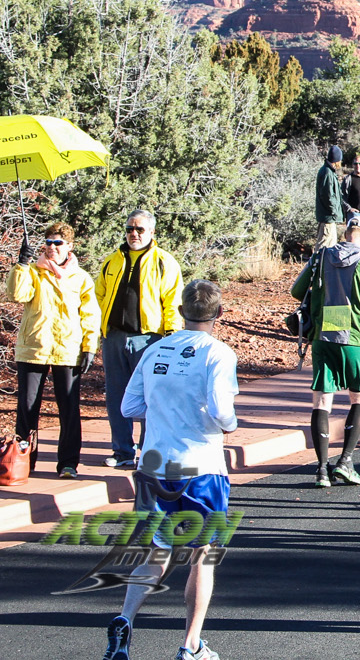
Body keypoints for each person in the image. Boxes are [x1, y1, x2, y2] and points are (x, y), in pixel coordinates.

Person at [104, 280, 237, 660]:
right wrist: (229, 423)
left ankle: (125, 619)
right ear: (219, 314)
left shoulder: (155, 349)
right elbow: (220, 408)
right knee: (204, 554)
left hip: (155, 463)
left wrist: (164, 408)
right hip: (201, 466)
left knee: (157, 550)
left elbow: (130, 407)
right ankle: (191, 644)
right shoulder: (218, 353)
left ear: (181, 311)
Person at [291, 214, 360, 487]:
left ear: (347, 233)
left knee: (322, 401)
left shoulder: (321, 256)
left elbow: (297, 291)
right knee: (359, 398)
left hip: (323, 335)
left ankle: (322, 469)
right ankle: (345, 461)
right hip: (355, 337)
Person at [6, 222, 100, 478]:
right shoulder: (34, 271)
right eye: (48, 242)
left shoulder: (81, 278)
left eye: (58, 243)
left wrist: (90, 345)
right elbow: (16, 294)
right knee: (27, 409)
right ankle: (23, 461)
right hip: (33, 348)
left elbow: (90, 315)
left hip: (67, 350)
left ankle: (68, 463)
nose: (52, 248)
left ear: (69, 246)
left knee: (68, 409)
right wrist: (21, 265)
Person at [96, 208, 184, 469]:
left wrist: (172, 337)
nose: (134, 233)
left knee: (150, 396)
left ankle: (149, 453)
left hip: (148, 339)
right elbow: (98, 297)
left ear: (152, 232)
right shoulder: (112, 261)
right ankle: (122, 451)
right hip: (114, 338)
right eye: (129, 229)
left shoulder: (164, 261)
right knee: (116, 396)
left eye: (140, 229)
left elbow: (173, 300)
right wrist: (98, 329)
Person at [315, 144, 345, 249]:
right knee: (324, 246)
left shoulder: (328, 171)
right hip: (328, 218)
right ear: (337, 160)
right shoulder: (327, 173)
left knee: (329, 246)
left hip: (328, 217)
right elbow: (328, 196)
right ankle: (317, 265)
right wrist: (335, 212)